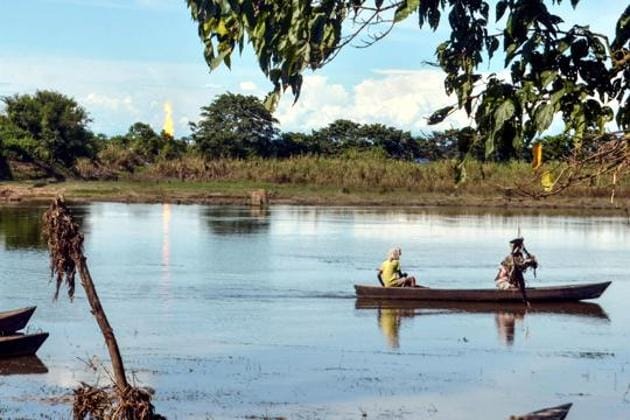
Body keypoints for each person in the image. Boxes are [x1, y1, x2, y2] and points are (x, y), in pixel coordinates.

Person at [495, 237, 538, 304]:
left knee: (518, 274)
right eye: (520, 246)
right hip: (503, 281)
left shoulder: (518, 256)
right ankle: (523, 298)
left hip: (512, 281)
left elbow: (526, 264)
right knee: (517, 273)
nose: (521, 248)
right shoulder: (511, 258)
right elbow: (518, 268)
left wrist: (530, 261)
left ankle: (522, 295)